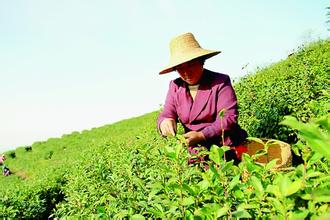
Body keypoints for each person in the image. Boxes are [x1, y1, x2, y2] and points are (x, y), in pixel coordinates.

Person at [157, 32, 248, 162]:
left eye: (190, 64)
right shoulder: (175, 86)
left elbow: (228, 118)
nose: (186, 72)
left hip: (228, 149)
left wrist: (201, 135)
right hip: (197, 155)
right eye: (180, 68)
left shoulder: (220, 81)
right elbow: (167, 113)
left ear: (201, 61)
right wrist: (165, 122)